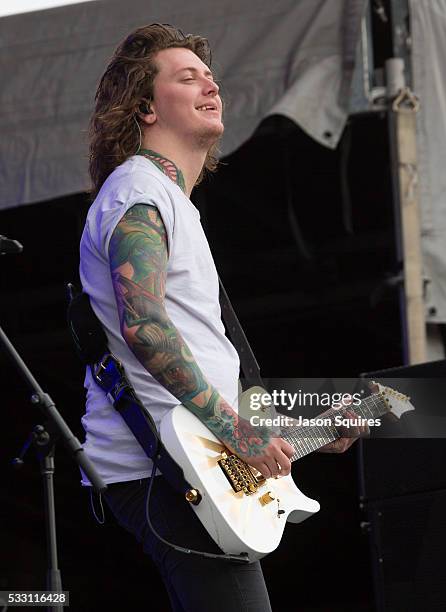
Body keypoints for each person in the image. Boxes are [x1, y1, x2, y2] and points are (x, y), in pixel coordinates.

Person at [79, 23, 366, 612]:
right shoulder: (138, 192)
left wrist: (299, 433)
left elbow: (199, 364)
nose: (211, 84)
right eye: (188, 78)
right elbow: (145, 326)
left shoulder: (169, 200)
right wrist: (238, 431)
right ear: (145, 108)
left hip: (194, 463)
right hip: (164, 469)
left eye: (211, 76)